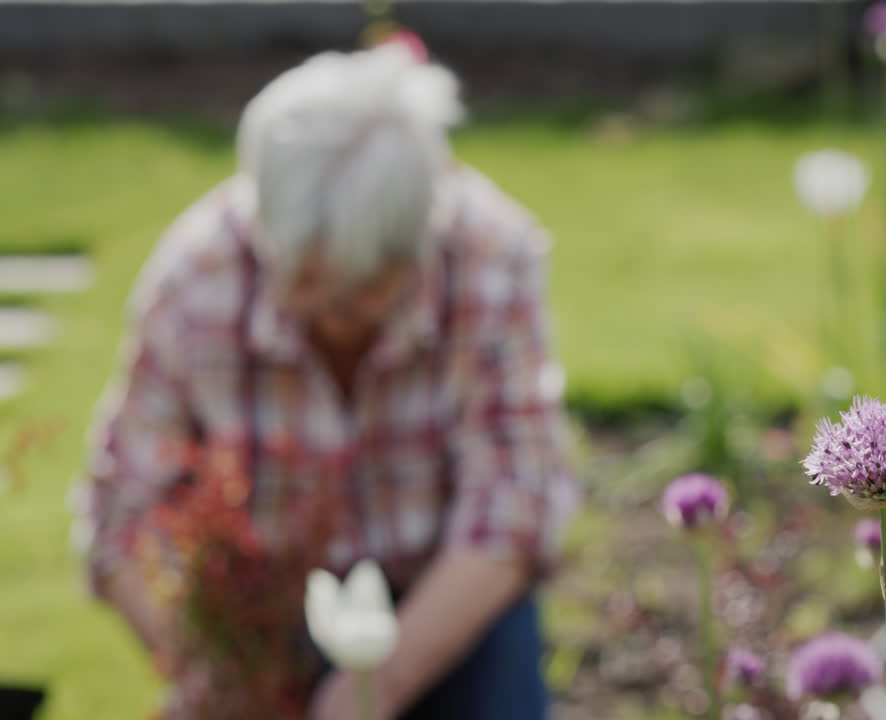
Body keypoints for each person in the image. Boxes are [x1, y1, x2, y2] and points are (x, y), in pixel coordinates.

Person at [78, 41, 578, 719]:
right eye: (309, 284)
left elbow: (513, 508)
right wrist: (208, 671)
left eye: (365, 290)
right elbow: (123, 516)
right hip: (265, 611)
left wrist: (379, 686)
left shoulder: (492, 262)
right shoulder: (195, 280)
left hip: (441, 599)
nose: (335, 318)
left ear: (417, 242)